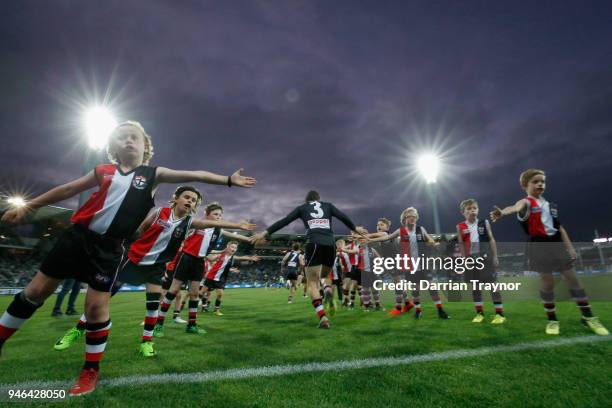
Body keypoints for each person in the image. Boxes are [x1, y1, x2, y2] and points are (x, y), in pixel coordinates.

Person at [0, 120, 257, 396]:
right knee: (35, 291)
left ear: (146, 146)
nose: (128, 141)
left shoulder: (153, 174)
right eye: (121, 137)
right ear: (113, 147)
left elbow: (194, 174)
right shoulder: (104, 171)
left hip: (110, 249)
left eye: (134, 137)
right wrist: (30, 205)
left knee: (97, 307)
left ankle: (90, 370)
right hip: (77, 238)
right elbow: (67, 190)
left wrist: (228, 180)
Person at [490, 168, 608, 335]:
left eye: (542, 181)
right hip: (538, 244)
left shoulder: (550, 206)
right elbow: (515, 207)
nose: (540, 184)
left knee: (572, 279)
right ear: (525, 185)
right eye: (535, 181)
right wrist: (503, 212)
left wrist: (570, 247)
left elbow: (559, 228)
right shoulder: (526, 202)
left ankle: (588, 317)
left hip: (556, 244)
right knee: (547, 282)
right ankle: (552, 319)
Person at [252, 190, 366, 328]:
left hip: (314, 242)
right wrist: (355, 228)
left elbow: (285, 220)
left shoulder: (302, 208)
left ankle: (323, 318)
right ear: (319, 199)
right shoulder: (328, 206)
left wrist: (265, 233)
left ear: (307, 201)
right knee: (324, 275)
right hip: (330, 244)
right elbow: (343, 217)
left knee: (312, 283)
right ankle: (328, 288)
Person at [155, 201, 255, 335]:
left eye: (220, 215)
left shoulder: (218, 231)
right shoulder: (196, 224)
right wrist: (161, 222)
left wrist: (251, 239)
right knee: (173, 290)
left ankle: (191, 325)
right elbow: (171, 225)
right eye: (215, 214)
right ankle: (159, 324)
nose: (218, 217)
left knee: (195, 294)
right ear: (206, 215)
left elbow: (234, 235)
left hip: (199, 262)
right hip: (185, 258)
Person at [369, 207, 450, 319]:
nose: (413, 218)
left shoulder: (421, 229)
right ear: (404, 219)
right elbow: (387, 237)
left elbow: (428, 239)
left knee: (432, 287)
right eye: (410, 216)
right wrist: (371, 240)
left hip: (423, 263)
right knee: (415, 290)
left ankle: (440, 310)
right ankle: (418, 311)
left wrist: (433, 243)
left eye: (414, 216)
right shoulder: (400, 231)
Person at [456, 199, 505, 324]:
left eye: (475, 208)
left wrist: (495, 256)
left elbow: (491, 239)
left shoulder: (484, 223)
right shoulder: (460, 226)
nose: (472, 210)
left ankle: (500, 314)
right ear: (463, 212)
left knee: (492, 286)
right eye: (469, 208)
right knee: (476, 287)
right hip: (471, 260)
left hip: (485, 258)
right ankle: (479, 313)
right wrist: (464, 259)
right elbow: (461, 244)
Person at [201, 241, 260, 315]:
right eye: (232, 247)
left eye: (235, 248)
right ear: (227, 247)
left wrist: (250, 258)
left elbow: (241, 257)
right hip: (211, 276)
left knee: (220, 294)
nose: (234, 249)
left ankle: (216, 310)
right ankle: (195, 307)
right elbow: (211, 259)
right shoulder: (220, 255)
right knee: (201, 293)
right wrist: (203, 254)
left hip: (221, 279)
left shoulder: (232, 257)